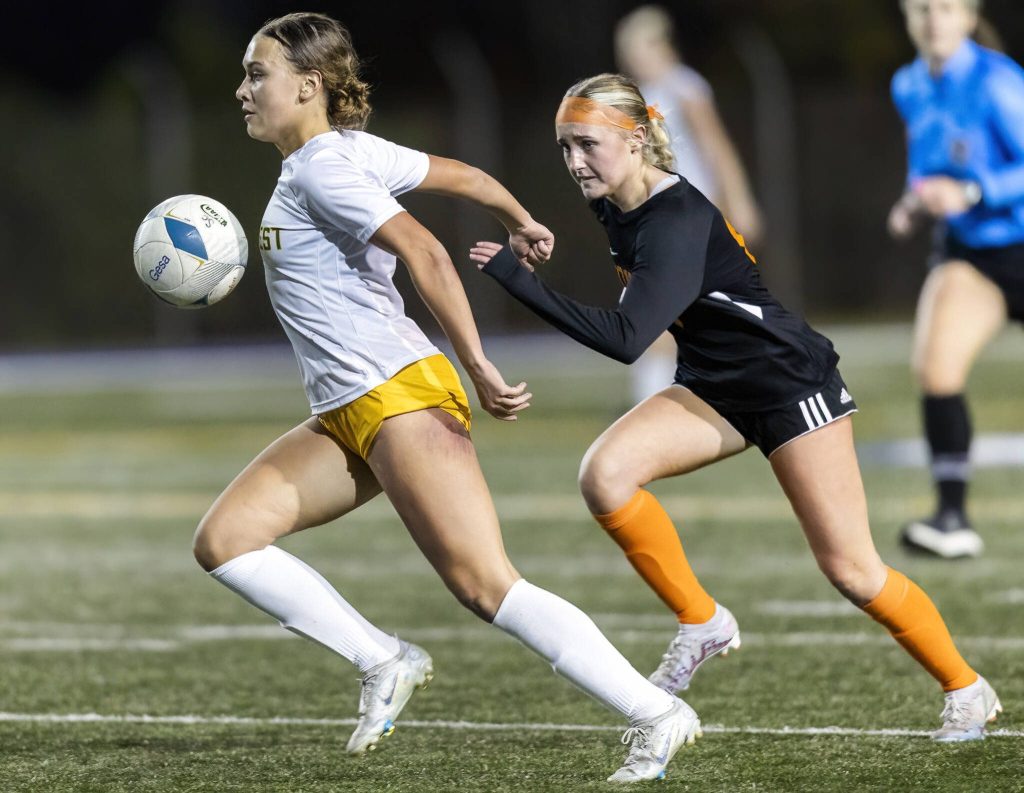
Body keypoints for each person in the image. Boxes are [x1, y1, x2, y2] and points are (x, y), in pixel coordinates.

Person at [192, 12, 699, 784]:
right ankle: (384, 658)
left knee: (485, 584)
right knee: (225, 540)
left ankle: (656, 712)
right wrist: (518, 214)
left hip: (399, 398)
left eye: (257, 74)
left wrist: (478, 361)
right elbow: (462, 176)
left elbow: (425, 249)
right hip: (347, 414)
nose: (243, 89)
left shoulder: (326, 168)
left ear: (308, 86)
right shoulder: (343, 154)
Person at [471, 72, 1001, 741]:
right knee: (604, 474)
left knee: (853, 570)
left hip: (787, 384)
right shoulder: (615, 199)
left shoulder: (675, 218)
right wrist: (527, 231)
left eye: (587, 144)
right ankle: (702, 621)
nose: (574, 161)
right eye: (564, 147)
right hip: (715, 384)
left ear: (635, 142)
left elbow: (629, 339)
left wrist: (521, 282)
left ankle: (966, 687)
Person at [887, 0, 1024, 559]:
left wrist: (971, 192)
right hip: (973, 254)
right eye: (921, 8)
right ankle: (951, 518)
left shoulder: (998, 80)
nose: (933, 19)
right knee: (936, 368)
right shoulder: (909, 83)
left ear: (969, 16)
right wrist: (913, 201)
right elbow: (926, 161)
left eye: (945, 7)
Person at [614, 4, 764, 406]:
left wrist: (741, 201)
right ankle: (683, 398)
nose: (631, 58)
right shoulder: (642, 95)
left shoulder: (685, 86)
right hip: (661, 217)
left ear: (661, 46)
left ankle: (655, 406)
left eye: (637, 48)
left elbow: (716, 148)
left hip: (691, 215)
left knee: (656, 309)